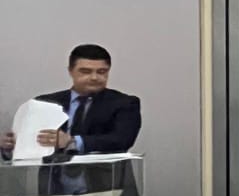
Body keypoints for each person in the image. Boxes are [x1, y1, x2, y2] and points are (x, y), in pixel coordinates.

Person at [0, 43, 141, 159]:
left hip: (106, 184)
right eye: (85, 71)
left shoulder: (125, 103)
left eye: (101, 72)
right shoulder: (45, 103)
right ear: (71, 71)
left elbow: (121, 140)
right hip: (53, 186)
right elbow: (29, 150)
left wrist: (71, 141)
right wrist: (11, 147)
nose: (94, 77)